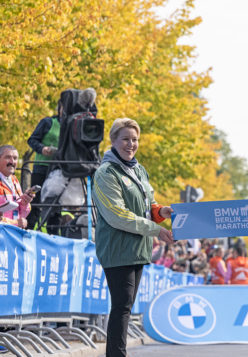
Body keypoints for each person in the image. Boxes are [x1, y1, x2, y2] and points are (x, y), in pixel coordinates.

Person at [92, 118, 174, 357]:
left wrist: (161, 213)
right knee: (121, 306)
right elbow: (118, 215)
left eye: (135, 139)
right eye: (125, 139)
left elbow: (148, 205)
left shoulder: (138, 169)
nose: (131, 144)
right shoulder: (106, 173)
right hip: (117, 249)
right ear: (113, 141)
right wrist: (155, 229)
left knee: (125, 307)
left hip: (137, 248)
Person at [26, 88, 97, 232]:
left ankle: (54, 233)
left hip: (62, 168)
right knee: (37, 203)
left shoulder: (78, 123)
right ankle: (28, 230)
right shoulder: (48, 122)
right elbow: (32, 139)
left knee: (56, 206)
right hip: (43, 166)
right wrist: (42, 148)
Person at [0, 145, 35, 228]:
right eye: (8, 157)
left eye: (15, 158)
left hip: (12, 233)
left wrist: (25, 202)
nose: (12, 162)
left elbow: (22, 213)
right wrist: (15, 223)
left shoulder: (14, 180)